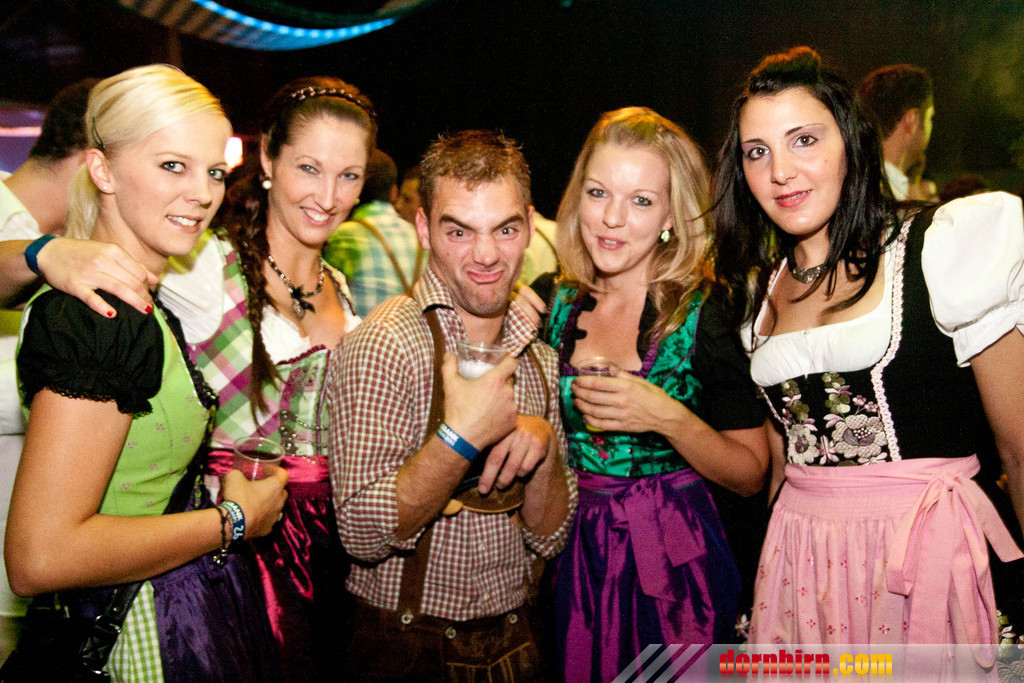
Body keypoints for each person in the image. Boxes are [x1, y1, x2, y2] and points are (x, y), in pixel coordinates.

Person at [712, 46, 1024, 668]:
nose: (780, 172)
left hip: (931, 556)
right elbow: (783, 464)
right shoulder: (755, 296)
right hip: (803, 564)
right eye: (757, 152)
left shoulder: (940, 250)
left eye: (804, 140)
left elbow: (1018, 448)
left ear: (852, 143)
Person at [5, 64, 287, 680]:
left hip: (155, 614)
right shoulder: (105, 316)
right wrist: (231, 523)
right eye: (172, 165)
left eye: (213, 172)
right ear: (102, 170)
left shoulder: (141, 298)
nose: (202, 194)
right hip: (123, 638)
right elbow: (39, 557)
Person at [325, 130, 577, 681]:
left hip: (518, 642)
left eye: (505, 229)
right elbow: (361, 535)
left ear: (528, 226)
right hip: (408, 648)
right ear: (423, 230)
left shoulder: (539, 356)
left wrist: (543, 448)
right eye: (459, 231)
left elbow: (550, 537)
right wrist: (460, 437)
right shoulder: (387, 342)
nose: (486, 255)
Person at [528, 107, 768, 682]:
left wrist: (666, 417)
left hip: (672, 563)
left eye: (641, 201)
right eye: (598, 193)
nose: (612, 219)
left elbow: (750, 474)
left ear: (669, 216)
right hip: (569, 551)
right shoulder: (548, 302)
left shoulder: (705, 313)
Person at [157, 75, 373, 680]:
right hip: (238, 550)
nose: (328, 196)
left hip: (330, 550)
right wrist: (50, 253)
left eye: (349, 176)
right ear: (269, 160)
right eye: (309, 168)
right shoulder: (206, 267)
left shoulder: (340, 287)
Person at [323, 147, 424, 316]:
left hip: (365, 331)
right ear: (393, 192)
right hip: (410, 331)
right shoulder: (421, 238)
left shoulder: (342, 236)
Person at [856, 63, 934, 201]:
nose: (931, 127)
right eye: (930, 118)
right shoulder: (880, 195)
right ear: (911, 120)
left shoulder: (860, 183)